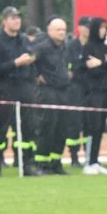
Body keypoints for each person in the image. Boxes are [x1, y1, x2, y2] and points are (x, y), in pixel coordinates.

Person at [0, 6, 40, 177]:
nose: (17, 21)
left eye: (18, 18)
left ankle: (25, 164)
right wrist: (15, 63)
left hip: (24, 88)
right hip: (5, 88)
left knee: (27, 128)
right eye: (12, 18)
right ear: (4, 21)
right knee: (0, 128)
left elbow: (33, 58)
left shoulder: (24, 40)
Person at [82, 17, 107, 175]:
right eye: (101, 28)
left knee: (101, 129)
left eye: (106, 28)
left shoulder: (105, 48)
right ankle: (89, 161)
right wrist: (103, 66)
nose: (104, 31)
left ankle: (95, 161)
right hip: (94, 93)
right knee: (93, 126)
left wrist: (101, 64)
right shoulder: (88, 47)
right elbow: (93, 70)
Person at [33, 17, 72, 175]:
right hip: (47, 91)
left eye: (63, 29)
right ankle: (42, 164)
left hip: (63, 90)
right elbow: (31, 62)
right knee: (47, 127)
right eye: (58, 30)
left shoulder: (65, 48)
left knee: (61, 128)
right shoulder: (41, 47)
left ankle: (56, 162)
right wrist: (37, 75)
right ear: (49, 31)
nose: (61, 33)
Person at [64, 16, 91, 168]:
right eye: (85, 26)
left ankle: (89, 155)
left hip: (90, 89)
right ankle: (74, 156)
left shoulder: (94, 45)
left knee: (89, 123)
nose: (87, 30)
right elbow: (70, 64)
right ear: (79, 28)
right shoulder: (72, 46)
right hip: (75, 89)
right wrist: (84, 64)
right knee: (74, 122)